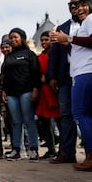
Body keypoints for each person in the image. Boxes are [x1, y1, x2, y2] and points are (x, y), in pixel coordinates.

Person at [51, 0, 92, 170]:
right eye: (75, 5)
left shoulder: (90, 19)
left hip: (85, 72)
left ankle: (90, 156)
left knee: (80, 113)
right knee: (78, 114)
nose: (79, 8)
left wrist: (68, 39)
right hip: (75, 73)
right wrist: (65, 42)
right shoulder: (80, 25)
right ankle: (79, 153)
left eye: (83, 4)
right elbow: (76, 50)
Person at [2, 28, 41, 162]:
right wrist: (4, 90)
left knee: (29, 121)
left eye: (15, 37)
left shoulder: (30, 54)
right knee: (16, 122)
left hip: (26, 91)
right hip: (11, 94)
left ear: (22, 38)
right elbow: (5, 76)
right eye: (11, 37)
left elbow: (36, 72)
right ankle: (16, 150)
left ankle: (34, 150)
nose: (13, 40)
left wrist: (36, 89)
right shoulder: (8, 57)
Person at [35, 31, 60, 159]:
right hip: (44, 91)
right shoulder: (41, 56)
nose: (44, 42)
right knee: (44, 121)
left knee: (59, 120)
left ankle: (62, 150)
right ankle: (51, 149)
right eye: (42, 40)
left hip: (54, 89)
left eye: (46, 40)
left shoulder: (57, 52)